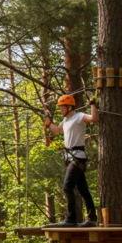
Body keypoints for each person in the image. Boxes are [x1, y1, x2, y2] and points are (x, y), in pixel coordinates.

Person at [44, 94, 99, 227]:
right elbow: (56, 131)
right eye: (59, 107)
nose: (60, 109)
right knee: (83, 190)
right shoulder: (66, 120)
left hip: (77, 157)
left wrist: (92, 104)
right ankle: (92, 219)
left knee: (67, 187)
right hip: (70, 158)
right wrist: (48, 122)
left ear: (69, 106)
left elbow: (94, 118)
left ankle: (71, 219)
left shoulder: (79, 117)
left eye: (62, 107)